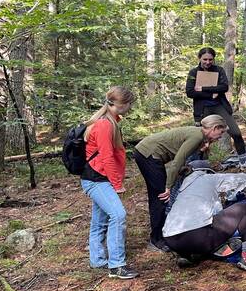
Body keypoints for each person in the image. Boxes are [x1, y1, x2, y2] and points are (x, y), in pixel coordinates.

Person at [134, 114, 228, 252]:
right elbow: (177, 162)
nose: (220, 136)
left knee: (160, 197)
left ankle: (162, 233)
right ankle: (156, 239)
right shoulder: (197, 136)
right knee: (161, 198)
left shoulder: (199, 136)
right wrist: (168, 187)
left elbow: (184, 160)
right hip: (148, 154)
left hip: (148, 153)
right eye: (221, 132)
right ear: (214, 128)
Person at [80, 86, 139, 280]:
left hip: (97, 178)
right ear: (121, 104)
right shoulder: (105, 124)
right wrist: (117, 183)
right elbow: (106, 157)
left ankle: (97, 260)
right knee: (118, 215)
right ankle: (117, 266)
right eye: (129, 103)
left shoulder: (111, 121)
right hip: (97, 179)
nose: (130, 107)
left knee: (100, 220)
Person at [185, 47, 246, 170]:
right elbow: (190, 92)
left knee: (235, 132)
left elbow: (224, 87)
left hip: (219, 106)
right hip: (202, 109)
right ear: (199, 58)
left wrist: (203, 88)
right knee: (201, 138)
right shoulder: (194, 73)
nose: (208, 62)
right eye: (205, 59)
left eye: (210, 59)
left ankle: (244, 160)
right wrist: (211, 92)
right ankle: (200, 167)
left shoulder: (218, 70)